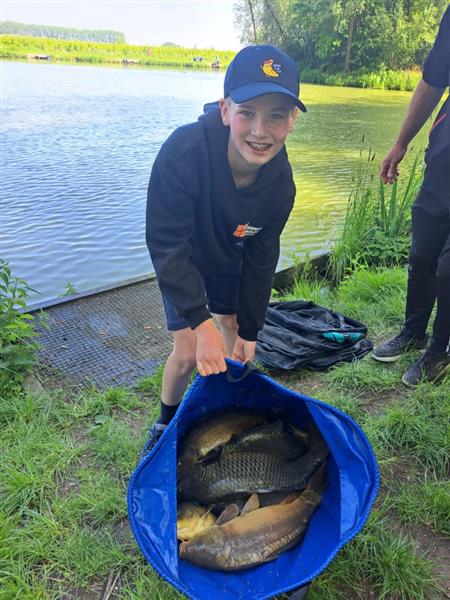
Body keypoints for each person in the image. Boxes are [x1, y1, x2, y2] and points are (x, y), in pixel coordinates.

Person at [142, 45, 306, 454]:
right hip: (184, 261)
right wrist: (201, 325)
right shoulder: (183, 153)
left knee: (236, 341)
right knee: (188, 352)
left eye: (276, 116)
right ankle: (164, 422)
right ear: (225, 110)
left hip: (230, 254)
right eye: (247, 112)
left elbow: (262, 258)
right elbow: (166, 245)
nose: (260, 131)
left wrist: (250, 329)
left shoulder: (281, 186)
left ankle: (228, 415)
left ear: (292, 120)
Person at [372, 6, 450, 386]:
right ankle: (413, 332)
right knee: (422, 252)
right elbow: (433, 81)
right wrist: (401, 143)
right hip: (444, 157)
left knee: (448, 270)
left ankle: (438, 352)